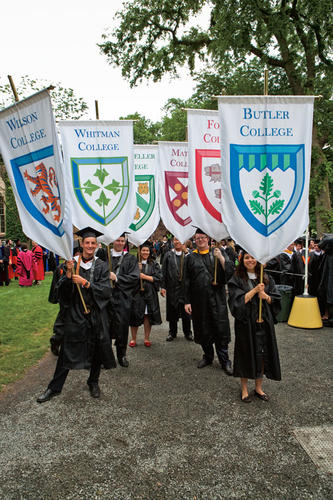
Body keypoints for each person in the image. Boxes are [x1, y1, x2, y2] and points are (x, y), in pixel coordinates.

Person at [36, 227, 116, 403]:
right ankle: (54, 388)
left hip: (95, 315)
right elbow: (62, 295)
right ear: (81, 243)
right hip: (75, 315)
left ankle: (93, 382)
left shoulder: (101, 266)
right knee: (66, 352)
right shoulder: (71, 263)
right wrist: (69, 275)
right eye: (87, 242)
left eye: (93, 243)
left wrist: (87, 283)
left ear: (96, 245)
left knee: (96, 351)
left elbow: (106, 291)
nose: (89, 246)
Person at [228, 252, 281, 403]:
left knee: (262, 353)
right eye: (246, 258)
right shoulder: (236, 279)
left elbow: (276, 300)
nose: (250, 260)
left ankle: (258, 387)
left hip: (264, 321)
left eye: (253, 257)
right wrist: (254, 291)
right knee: (245, 353)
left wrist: (267, 297)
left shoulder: (266, 277)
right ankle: (244, 388)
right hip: (246, 322)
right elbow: (235, 302)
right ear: (242, 260)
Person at [184, 228, 234, 374]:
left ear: (208, 238)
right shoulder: (190, 258)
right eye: (197, 238)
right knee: (202, 328)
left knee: (220, 329)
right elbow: (186, 281)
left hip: (217, 299)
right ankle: (208, 356)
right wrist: (187, 301)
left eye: (203, 237)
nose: (200, 240)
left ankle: (225, 361)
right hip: (199, 301)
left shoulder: (218, 252)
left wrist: (222, 259)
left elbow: (230, 272)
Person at [97, 233, 140, 367]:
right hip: (106, 299)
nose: (120, 243)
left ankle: (121, 355)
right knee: (106, 329)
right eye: (118, 240)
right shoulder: (103, 256)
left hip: (122, 299)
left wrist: (117, 279)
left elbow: (134, 277)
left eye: (122, 241)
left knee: (122, 329)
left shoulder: (130, 258)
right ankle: (106, 357)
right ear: (113, 240)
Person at [160, 237, 193, 342]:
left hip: (186, 288)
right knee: (172, 311)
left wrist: (186, 252)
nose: (177, 241)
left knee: (186, 312)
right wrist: (163, 287)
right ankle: (172, 332)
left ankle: (188, 332)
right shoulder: (168, 255)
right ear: (172, 241)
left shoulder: (189, 254)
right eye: (175, 239)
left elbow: (194, 268)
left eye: (179, 239)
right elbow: (163, 272)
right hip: (172, 287)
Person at [129, 243, 162, 346]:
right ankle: (133, 339)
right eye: (143, 250)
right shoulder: (133, 263)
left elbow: (158, 278)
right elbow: (128, 278)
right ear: (139, 251)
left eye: (147, 251)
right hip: (136, 294)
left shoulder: (154, 263)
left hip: (149, 293)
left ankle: (146, 338)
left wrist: (144, 276)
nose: (145, 252)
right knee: (135, 315)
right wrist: (136, 271)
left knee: (147, 316)